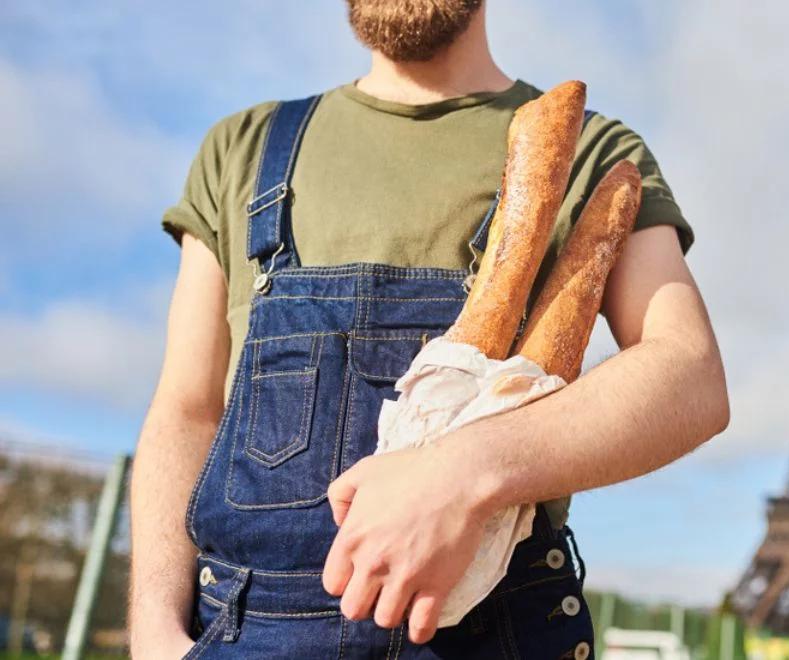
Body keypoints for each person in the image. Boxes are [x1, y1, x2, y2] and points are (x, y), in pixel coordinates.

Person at [126, 0, 729, 657]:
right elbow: (187, 411)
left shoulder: (592, 150)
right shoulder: (242, 149)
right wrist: (154, 631)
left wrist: (466, 471)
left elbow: (689, 375)